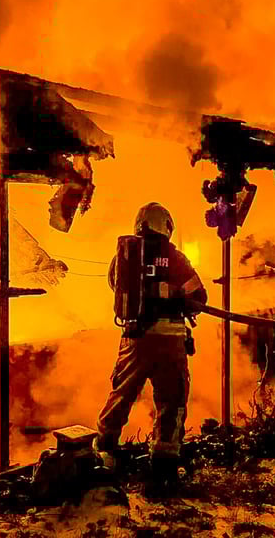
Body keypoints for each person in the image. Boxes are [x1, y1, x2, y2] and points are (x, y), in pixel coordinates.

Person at [96, 202, 208, 497]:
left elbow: (114, 285)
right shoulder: (174, 257)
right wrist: (173, 296)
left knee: (121, 393)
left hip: (134, 338)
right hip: (170, 342)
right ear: (166, 226)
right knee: (171, 402)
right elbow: (200, 295)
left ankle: (103, 452)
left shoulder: (124, 255)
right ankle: (164, 466)